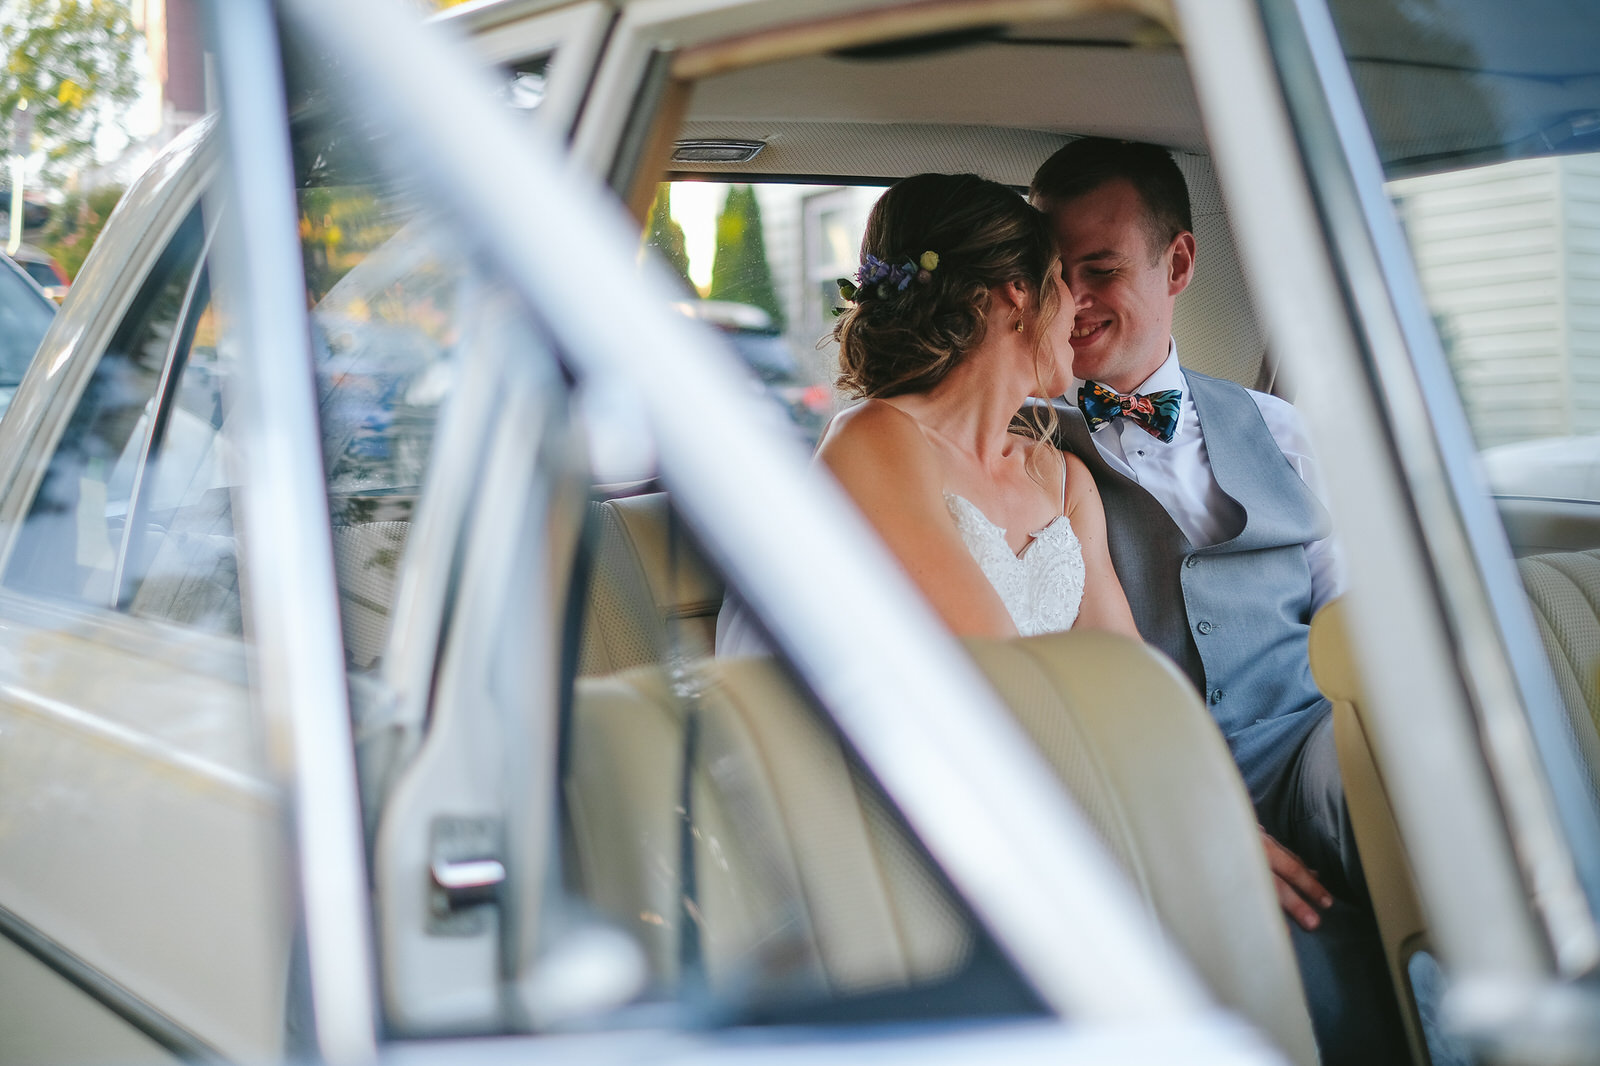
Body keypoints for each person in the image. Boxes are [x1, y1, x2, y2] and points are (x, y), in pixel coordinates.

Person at [1030, 137, 1406, 1065]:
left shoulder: (1285, 429)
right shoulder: (1017, 447)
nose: (1073, 299)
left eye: (1101, 269)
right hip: (1152, 778)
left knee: (1424, 796)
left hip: (1308, 750)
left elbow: (1352, 621)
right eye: (1052, 273)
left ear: (1180, 263)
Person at [716, 172, 1138, 655]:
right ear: (1019, 291)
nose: (1077, 304)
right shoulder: (874, 438)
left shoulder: (1064, 480)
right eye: (1061, 277)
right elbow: (995, 674)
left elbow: (1130, 674)